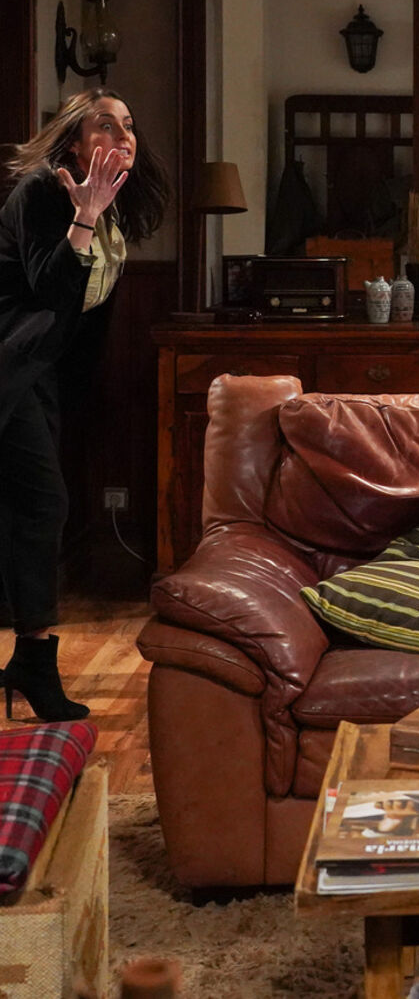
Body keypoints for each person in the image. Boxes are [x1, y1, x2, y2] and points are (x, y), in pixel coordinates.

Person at [0, 87, 169, 721]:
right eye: (107, 124)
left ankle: (30, 661)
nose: (124, 136)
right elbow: (48, 290)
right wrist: (83, 219)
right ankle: (35, 664)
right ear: (74, 141)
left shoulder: (107, 209)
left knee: (31, 507)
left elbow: (80, 321)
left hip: (38, 375)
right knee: (43, 505)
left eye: (130, 125)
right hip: (7, 364)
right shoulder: (43, 193)